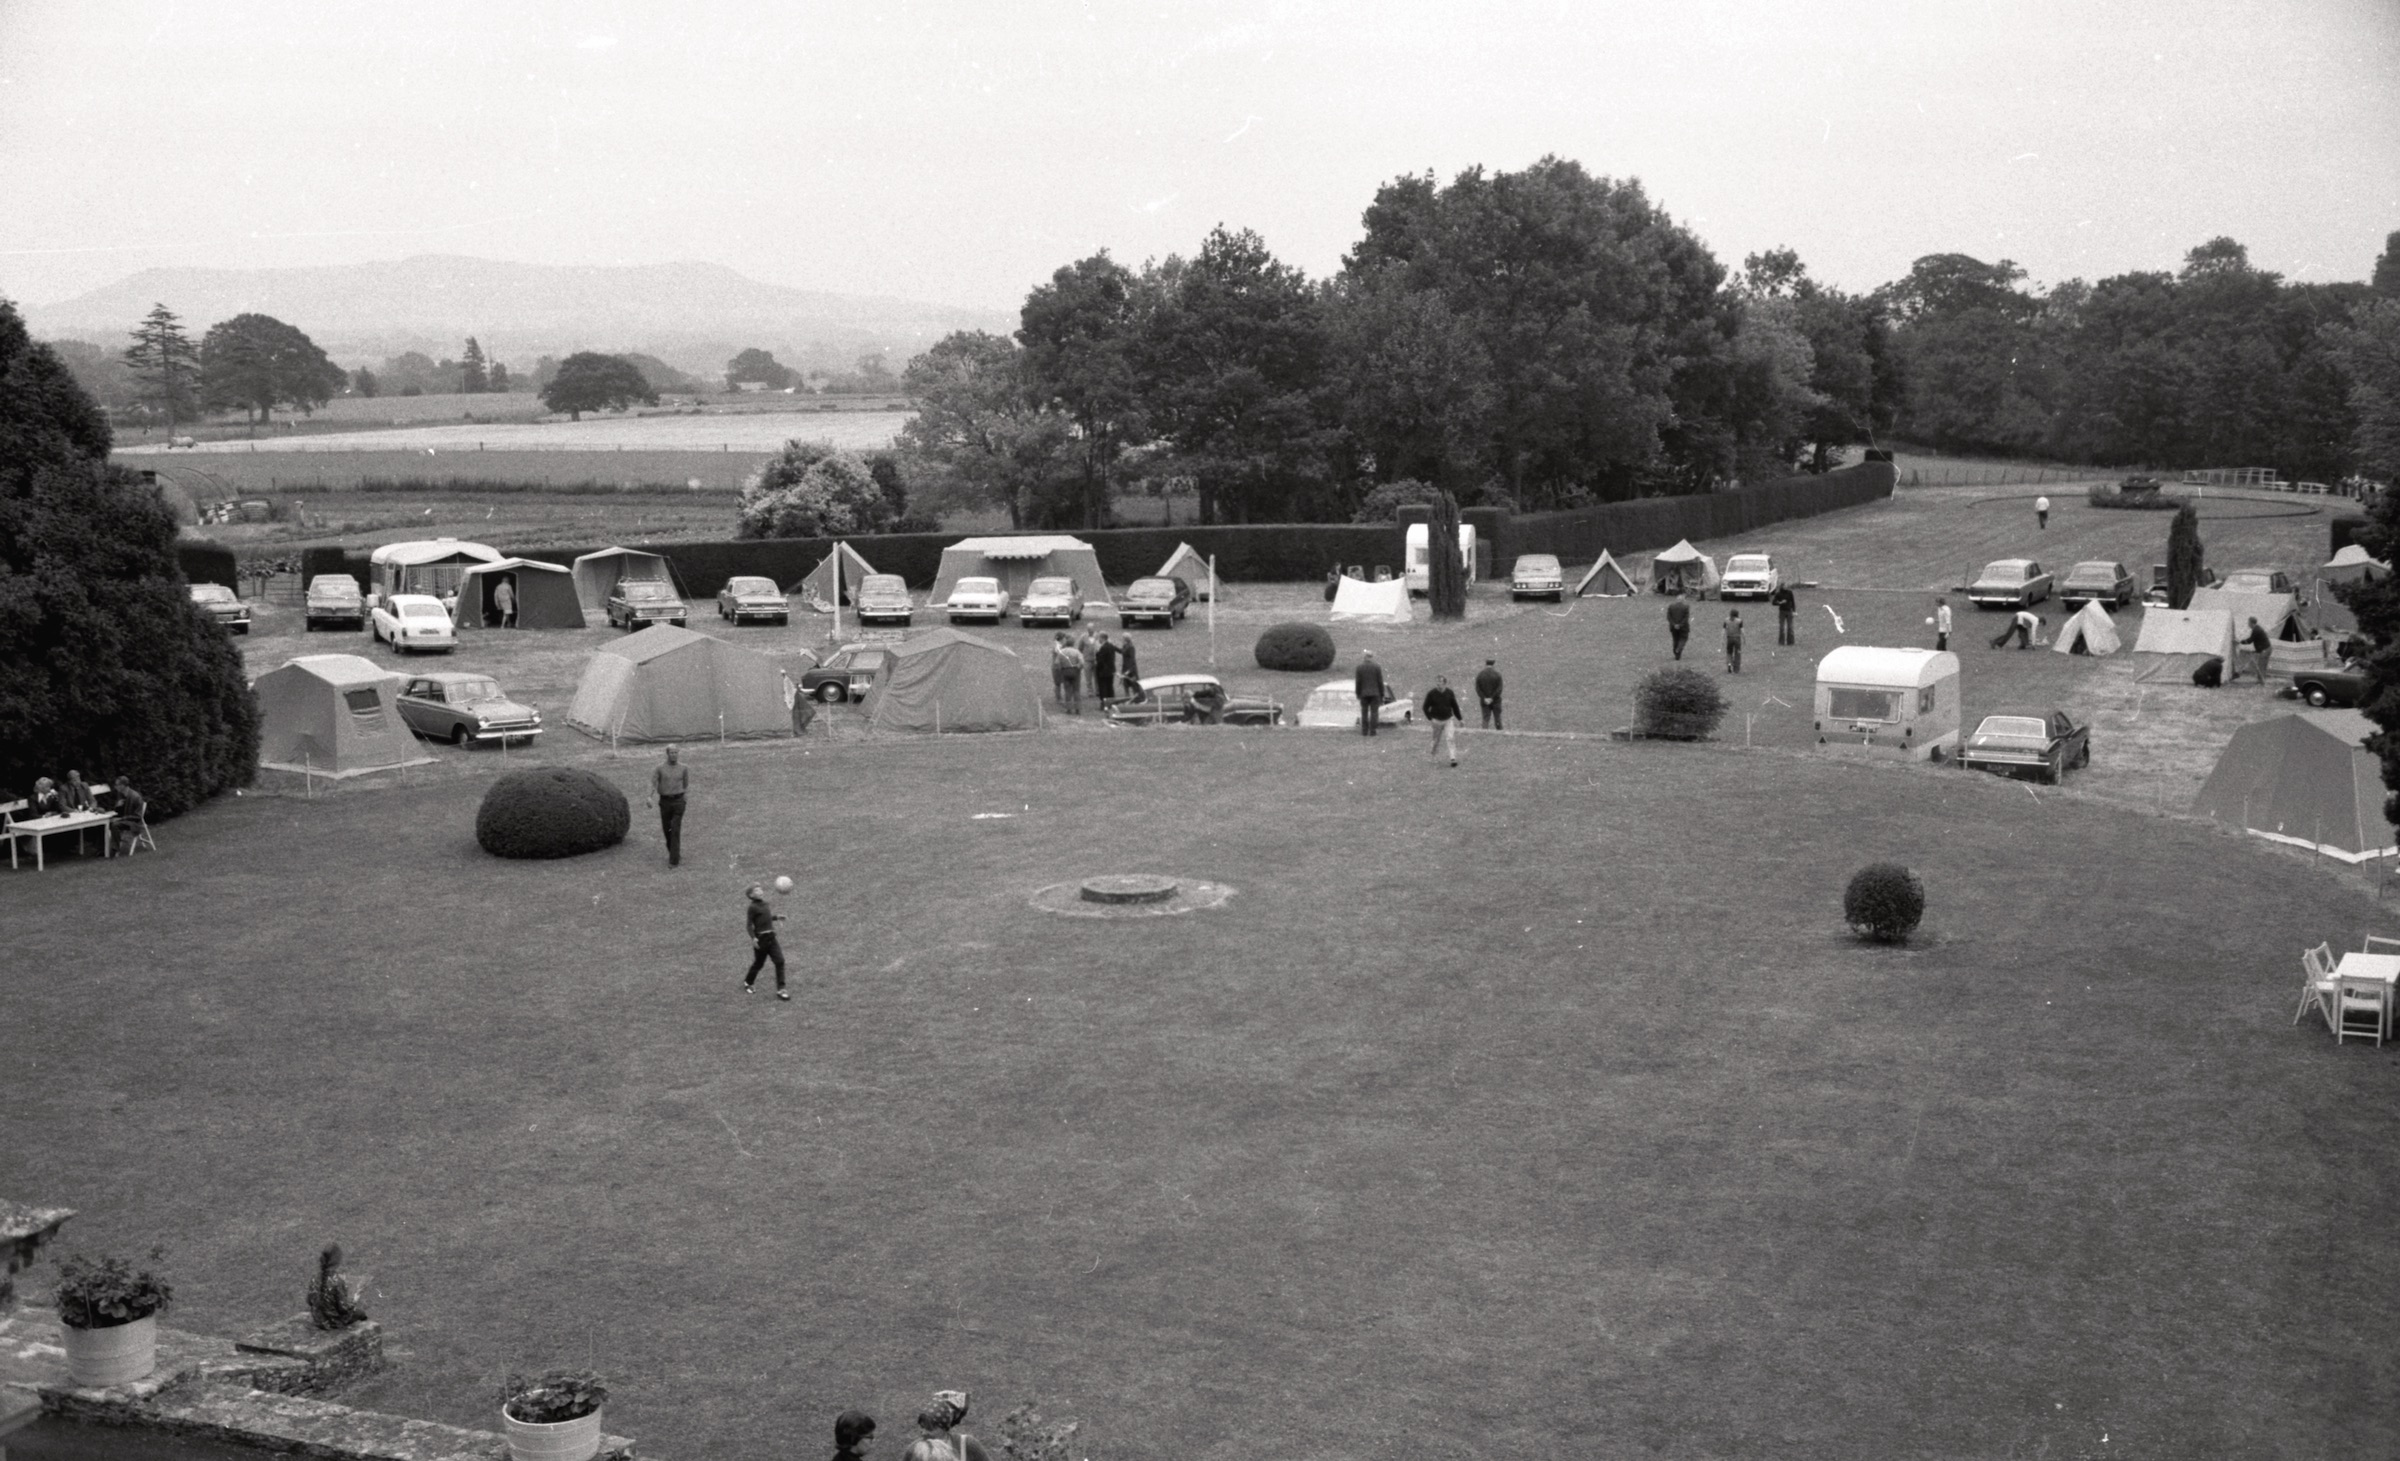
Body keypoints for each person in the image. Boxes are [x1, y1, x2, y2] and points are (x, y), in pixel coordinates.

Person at [901, 1391, 990, 1461]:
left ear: (944, 1428)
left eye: (929, 1428)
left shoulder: (967, 1445)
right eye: (922, 1427)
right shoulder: (914, 1450)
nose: (923, 1433)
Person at [740, 884, 789, 999]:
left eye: (760, 889)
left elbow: (765, 917)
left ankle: (781, 989)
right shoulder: (752, 908)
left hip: (772, 937)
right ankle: (748, 982)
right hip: (761, 940)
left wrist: (776, 917)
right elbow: (748, 925)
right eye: (756, 890)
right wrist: (753, 938)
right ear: (751, 895)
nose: (760, 890)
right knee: (759, 963)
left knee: (780, 961)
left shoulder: (765, 904)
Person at [650, 745, 688, 867]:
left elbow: (686, 785)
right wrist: (649, 797)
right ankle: (674, 852)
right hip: (665, 802)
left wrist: (684, 798)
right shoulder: (660, 768)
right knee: (667, 830)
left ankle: (673, 861)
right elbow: (654, 783)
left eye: (676, 752)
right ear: (667, 753)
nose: (674, 755)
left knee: (675, 829)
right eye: (671, 752)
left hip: (678, 802)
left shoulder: (683, 768)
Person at [1422, 676, 1464, 766]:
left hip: (1448, 719)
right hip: (1436, 721)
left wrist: (1460, 719)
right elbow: (1425, 707)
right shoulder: (1431, 694)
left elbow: (1455, 706)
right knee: (1436, 740)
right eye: (1437, 682)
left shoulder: (1449, 693)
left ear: (1445, 683)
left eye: (1440, 682)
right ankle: (1433, 756)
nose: (1438, 684)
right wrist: (1430, 718)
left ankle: (1453, 758)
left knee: (1450, 738)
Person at [109, 777, 147, 854]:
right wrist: (117, 806)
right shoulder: (121, 795)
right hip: (125, 820)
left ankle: (115, 849)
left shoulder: (135, 797)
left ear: (123, 785)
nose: (115, 787)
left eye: (117, 785)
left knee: (115, 825)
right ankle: (105, 848)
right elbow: (118, 812)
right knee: (108, 823)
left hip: (134, 823)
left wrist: (121, 819)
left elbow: (137, 816)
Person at [1354, 651, 1387, 737]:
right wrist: (1382, 694)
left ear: (1364, 657)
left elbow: (1358, 682)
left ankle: (1364, 731)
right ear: (1371, 657)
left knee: (1364, 713)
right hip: (1375, 693)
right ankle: (1373, 731)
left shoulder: (1359, 668)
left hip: (1364, 693)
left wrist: (1358, 693)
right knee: (1374, 713)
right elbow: (1380, 681)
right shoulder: (1376, 667)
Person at [782, 670, 816, 738]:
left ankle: (797, 729)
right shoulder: (785, 681)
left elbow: (789, 692)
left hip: (793, 699)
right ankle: (797, 730)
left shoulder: (786, 680)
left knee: (799, 714)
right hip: (792, 700)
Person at [1474, 658, 1503, 730]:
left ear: (1486, 664)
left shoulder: (1480, 675)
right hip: (1496, 701)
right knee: (1497, 718)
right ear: (1493, 664)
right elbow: (1499, 689)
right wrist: (1492, 698)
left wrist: (1484, 698)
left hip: (1484, 701)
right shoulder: (1497, 675)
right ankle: (1500, 732)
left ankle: (1484, 732)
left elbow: (1478, 688)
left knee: (1485, 718)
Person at [1093, 632, 1120, 703]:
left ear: (1102, 638)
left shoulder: (1103, 648)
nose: (1098, 639)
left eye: (1099, 638)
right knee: (1110, 687)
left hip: (1103, 671)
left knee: (1103, 688)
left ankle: (1105, 703)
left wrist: (1097, 653)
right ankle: (1112, 701)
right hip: (1111, 670)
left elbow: (1100, 661)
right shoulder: (1111, 646)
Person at [2244, 616, 2272, 684]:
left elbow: (2250, 640)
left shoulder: (2256, 630)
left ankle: (2262, 682)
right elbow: (2258, 641)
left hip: (2265, 650)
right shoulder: (2257, 628)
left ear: (2251, 623)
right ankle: (2261, 681)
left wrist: (2240, 642)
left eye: (2248, 623)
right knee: (2262, 666)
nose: (2248, 624)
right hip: (2267, 649)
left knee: (2261, 666)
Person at [1115, 633, 1142, 701]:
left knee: (1134, 686)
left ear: (1125, 639)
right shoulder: (1125, 646)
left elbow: (1132, 660)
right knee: (1126, 685)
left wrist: (1129, 671)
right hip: (1125, 668)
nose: (1122, 639)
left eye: (1123, 638)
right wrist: (1113, 647)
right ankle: (1127, 699)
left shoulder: (1131, 647)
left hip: (1131, 670)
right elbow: (1122, 651)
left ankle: (1137, 699)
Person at [1666, 592, 1691, 660]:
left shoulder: (1671, 606)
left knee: (1675, 639)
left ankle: (1676, 652)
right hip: (1683, 627)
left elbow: (1668, 617)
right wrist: (1680, 625)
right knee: (1683, 638)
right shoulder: (1686, 607)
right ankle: (1678, 649)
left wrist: (1674, 624)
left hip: (1673, 627)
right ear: (1683, 600)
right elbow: (1686, 617)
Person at [1723, 608, 1744, 673]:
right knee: (1737, 653)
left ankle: (1729, 663)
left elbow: (1723, 630)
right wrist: (1744, 638)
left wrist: (1722, 639)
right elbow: (1742, 631)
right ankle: (1736, 669)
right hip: (1737, 638)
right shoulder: (1739, 621)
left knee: (1729, 652)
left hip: (1729, 638)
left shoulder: (1726, 620)